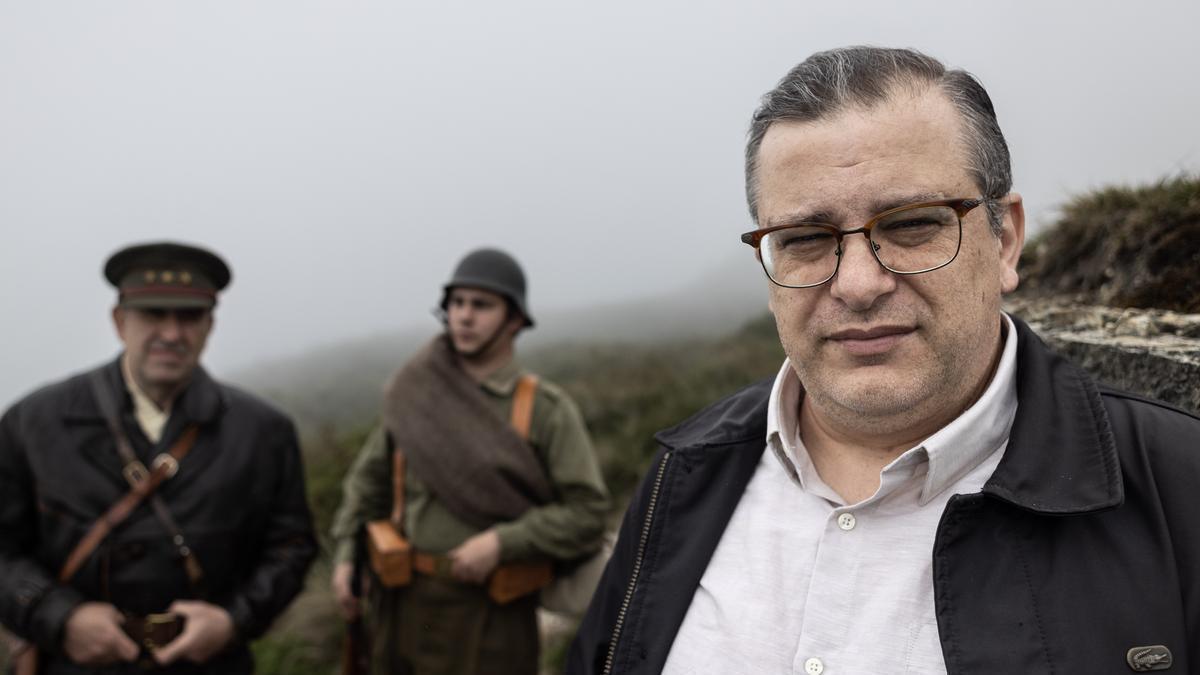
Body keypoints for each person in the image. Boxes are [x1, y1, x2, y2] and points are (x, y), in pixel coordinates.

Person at [569, 46, 1200, 674]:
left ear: (1003, 240)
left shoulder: (1179, 487)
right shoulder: (685, 472)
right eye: (807, 240)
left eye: (912, 225)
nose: (858, 284)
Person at [0, 242, 318, 674]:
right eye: (153, 313)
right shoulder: (33, 421)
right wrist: (60, 616)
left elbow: (291, 547)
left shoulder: (263, 430)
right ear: (119, 321)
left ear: (210, 325)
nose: (171, 334)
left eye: (188, 317)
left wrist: (232, 620)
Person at [330, 247, 610, 675]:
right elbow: (368, 485)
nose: (463, 316)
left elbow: (586, 513)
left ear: (514, 319)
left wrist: (501, 543)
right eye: (456, 303)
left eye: (481, 305)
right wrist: (348, 556)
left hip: (495, 615)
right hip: (404, 603)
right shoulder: (414, 395)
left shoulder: (544, 409)